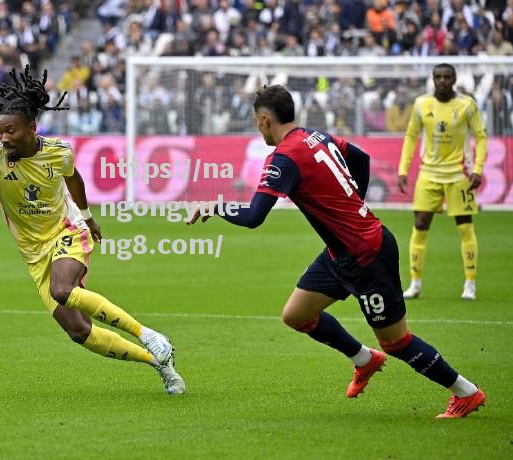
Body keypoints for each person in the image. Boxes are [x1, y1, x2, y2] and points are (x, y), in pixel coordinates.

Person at [187, 84, 484, 418]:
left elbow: (255, 216)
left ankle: (466, 392)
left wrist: (216, 207)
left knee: (396, 342)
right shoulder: (316, 135)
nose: (259, 128)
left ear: (266, 120)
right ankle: (364, 359)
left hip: (368, 255)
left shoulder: (283, 157)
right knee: (296, 315)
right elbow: (361, 157)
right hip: (340, 252)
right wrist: (354, 201)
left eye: (258, 121)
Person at [0, 66, 185, 395]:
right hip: (33, 253)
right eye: (0, 131)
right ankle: (158, 363)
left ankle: (147, 334)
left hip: (68, 231)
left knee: (62, 290)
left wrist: (88, 217)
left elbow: (74, 179)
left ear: (31, 127)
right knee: (79, 332)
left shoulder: (58, 152)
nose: (4, 138)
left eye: (11, 131)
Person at [397, 63, 487, 300]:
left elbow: (481, 136)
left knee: (465, 226)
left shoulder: (467, 105)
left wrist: (477, 168)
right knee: (420, 224)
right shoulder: (421, 104)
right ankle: (415, 283)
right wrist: (403, 169)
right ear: (433, 79)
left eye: (447, 77)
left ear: (454, 79)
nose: (442, 81)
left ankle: (470, 283)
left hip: (459, 175)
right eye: (438, 77)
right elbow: (411, 137)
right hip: (429, 173)